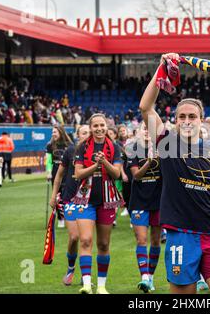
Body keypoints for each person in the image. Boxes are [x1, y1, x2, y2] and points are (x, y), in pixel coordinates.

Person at [139, 53, 210, 294]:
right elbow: (145, 107)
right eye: (182, 117)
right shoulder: (166, 144)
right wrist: (161, 68)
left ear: (201, 120)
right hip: (181, 237)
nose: (187, 120)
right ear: (176, 120)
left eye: (193, 116)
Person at [73, 113, 125, 294]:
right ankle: (87, 284)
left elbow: (117, 174)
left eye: (102, 125)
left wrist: (104, 162)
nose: (99, 128)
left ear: (107, 125)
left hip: (106, 199)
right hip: (85, 198)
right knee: (86, 239)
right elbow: (78, 174)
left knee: (103, 244)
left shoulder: (115, 147)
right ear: (91, 128)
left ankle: (101, 286)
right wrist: (96, 166)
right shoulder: (82, 147)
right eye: (95, 126)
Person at [49, 125, 90, 286]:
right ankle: (71, 268)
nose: (87, 135)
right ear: (78, 135)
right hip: (70, 199)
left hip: (88, 201)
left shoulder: (96, 152)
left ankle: (85, 275)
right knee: (74, 237)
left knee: (86, 239)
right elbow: (59, 175)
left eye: (89, 133)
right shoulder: (70, 150)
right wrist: (54, 195)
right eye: (84, 133)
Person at [126, 122, 162, 293]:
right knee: (141, 240)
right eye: (144, 128)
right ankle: (144, 277)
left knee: (155, 241)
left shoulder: (163, 148)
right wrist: (149, 162)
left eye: (150, 129)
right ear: (139, 132)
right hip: (139, 201)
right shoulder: (133, 149)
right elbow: (136, 176)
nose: (147, 131)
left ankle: (151, 277)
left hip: (159, 201)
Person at [46, 125, 73, 228]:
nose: (53, 134)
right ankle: (60, 218)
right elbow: (49, 161)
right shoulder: (50, 145)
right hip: (55, 172)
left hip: (67, 173)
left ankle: (69, 216)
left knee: (67, 194)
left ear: (61, 133)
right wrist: (48, 172)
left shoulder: (69, 145)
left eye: (55, 132)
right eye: (52, 132)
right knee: (57, 195)